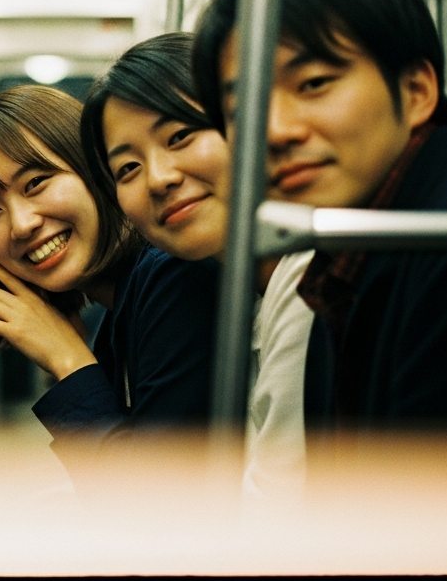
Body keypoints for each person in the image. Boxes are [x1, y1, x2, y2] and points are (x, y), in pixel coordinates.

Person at [189, 0, 447, 433]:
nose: (275, 130)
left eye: (312, 84)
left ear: (416, 91)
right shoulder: (344, 258)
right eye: (242, 110)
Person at [0, 84, 220, 485]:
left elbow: (157, 507)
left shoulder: (172, 276)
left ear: (97, 170)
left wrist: (67, 359)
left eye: (36, 183)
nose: (21, 223)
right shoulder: (117, 312)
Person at [82, 33, 314, 501]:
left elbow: (277, 512)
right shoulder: (246, 290)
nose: (160, 177)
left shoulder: (307, 283)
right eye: (127, 169)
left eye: (180, 137)